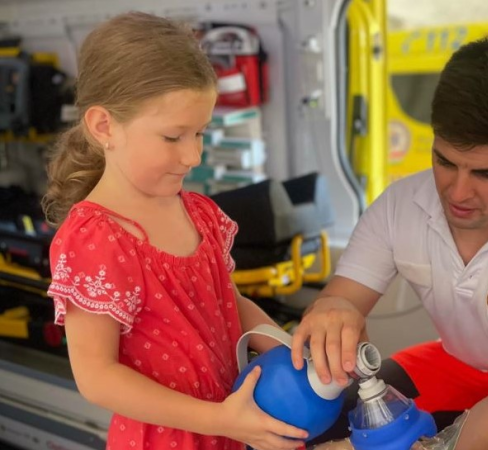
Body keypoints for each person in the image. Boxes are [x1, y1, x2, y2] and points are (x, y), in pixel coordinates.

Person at [291, 34, 488, 450]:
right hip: (455, 363)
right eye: (445, 161)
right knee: (308, 426)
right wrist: (333, 313)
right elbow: (342, 298)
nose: (457, 193)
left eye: (487, 174)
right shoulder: (402, 203)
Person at [42, 12, 308, 450]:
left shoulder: (198, 212)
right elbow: (97, 378)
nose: (193, 155)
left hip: (227, 427)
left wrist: (292, 352)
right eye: (173, 137)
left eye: (200, 133)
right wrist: (218, 419)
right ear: (104, 126)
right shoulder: (97, 237)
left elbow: (228, 301)